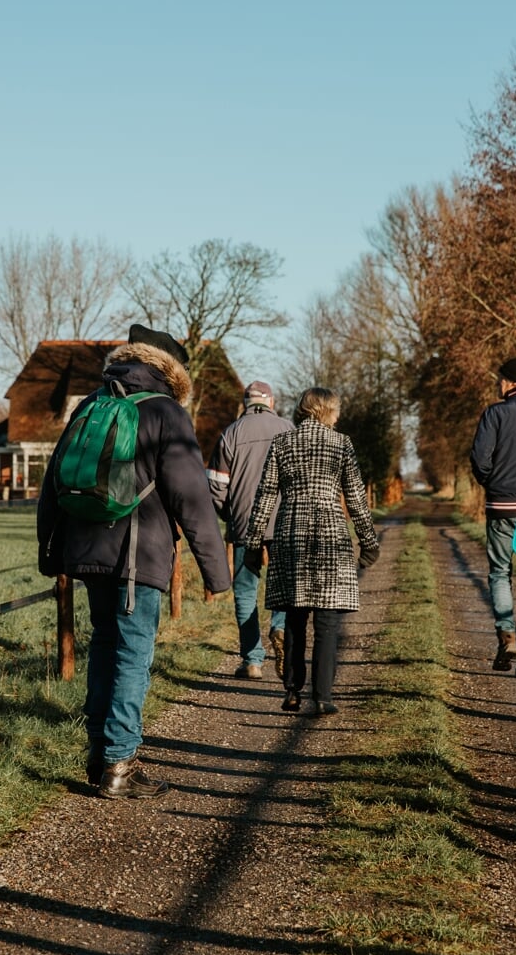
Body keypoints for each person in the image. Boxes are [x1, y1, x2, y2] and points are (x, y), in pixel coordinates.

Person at [37, 324, 233, 800]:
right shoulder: (166, 412)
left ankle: (98, 754)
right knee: (133, 655)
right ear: (171, 371)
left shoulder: (90, 404)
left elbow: (52, 485)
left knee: (105, 647)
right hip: (136, 557)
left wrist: (51, 553)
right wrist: (217, 573)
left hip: (88, 555)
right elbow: (191, 496)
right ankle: (120, 764)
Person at [241, 387, 380, 715]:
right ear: (328, 411)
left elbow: (264, 496)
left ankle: (291, 690)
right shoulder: (341, 444)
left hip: (290, 533)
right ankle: (322, 696)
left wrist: (253, 543)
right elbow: (357, 500)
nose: (340, 414)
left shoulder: (283, 442)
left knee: (295, 615)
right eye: (337, 409)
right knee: (328, 621)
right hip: (330, 534)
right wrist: (368, 541)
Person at [209, 380, 294, 679]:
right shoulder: (289, 429)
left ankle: (253, 661)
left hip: (245, 522)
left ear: (246, 403)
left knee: (246, 591)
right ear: (271, 402)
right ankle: (281, 628)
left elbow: (216, 486)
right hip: (285, 522)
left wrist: (228, 515)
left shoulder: (230, 433)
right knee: (283, 585)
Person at [470, 356, 516, 678]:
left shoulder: (495, 413)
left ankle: (506, 640)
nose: (498, 384)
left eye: (501, 379)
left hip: (501, 505)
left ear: (511, 382)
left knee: (500, 573)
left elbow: (479, 457)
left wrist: (492, 483)